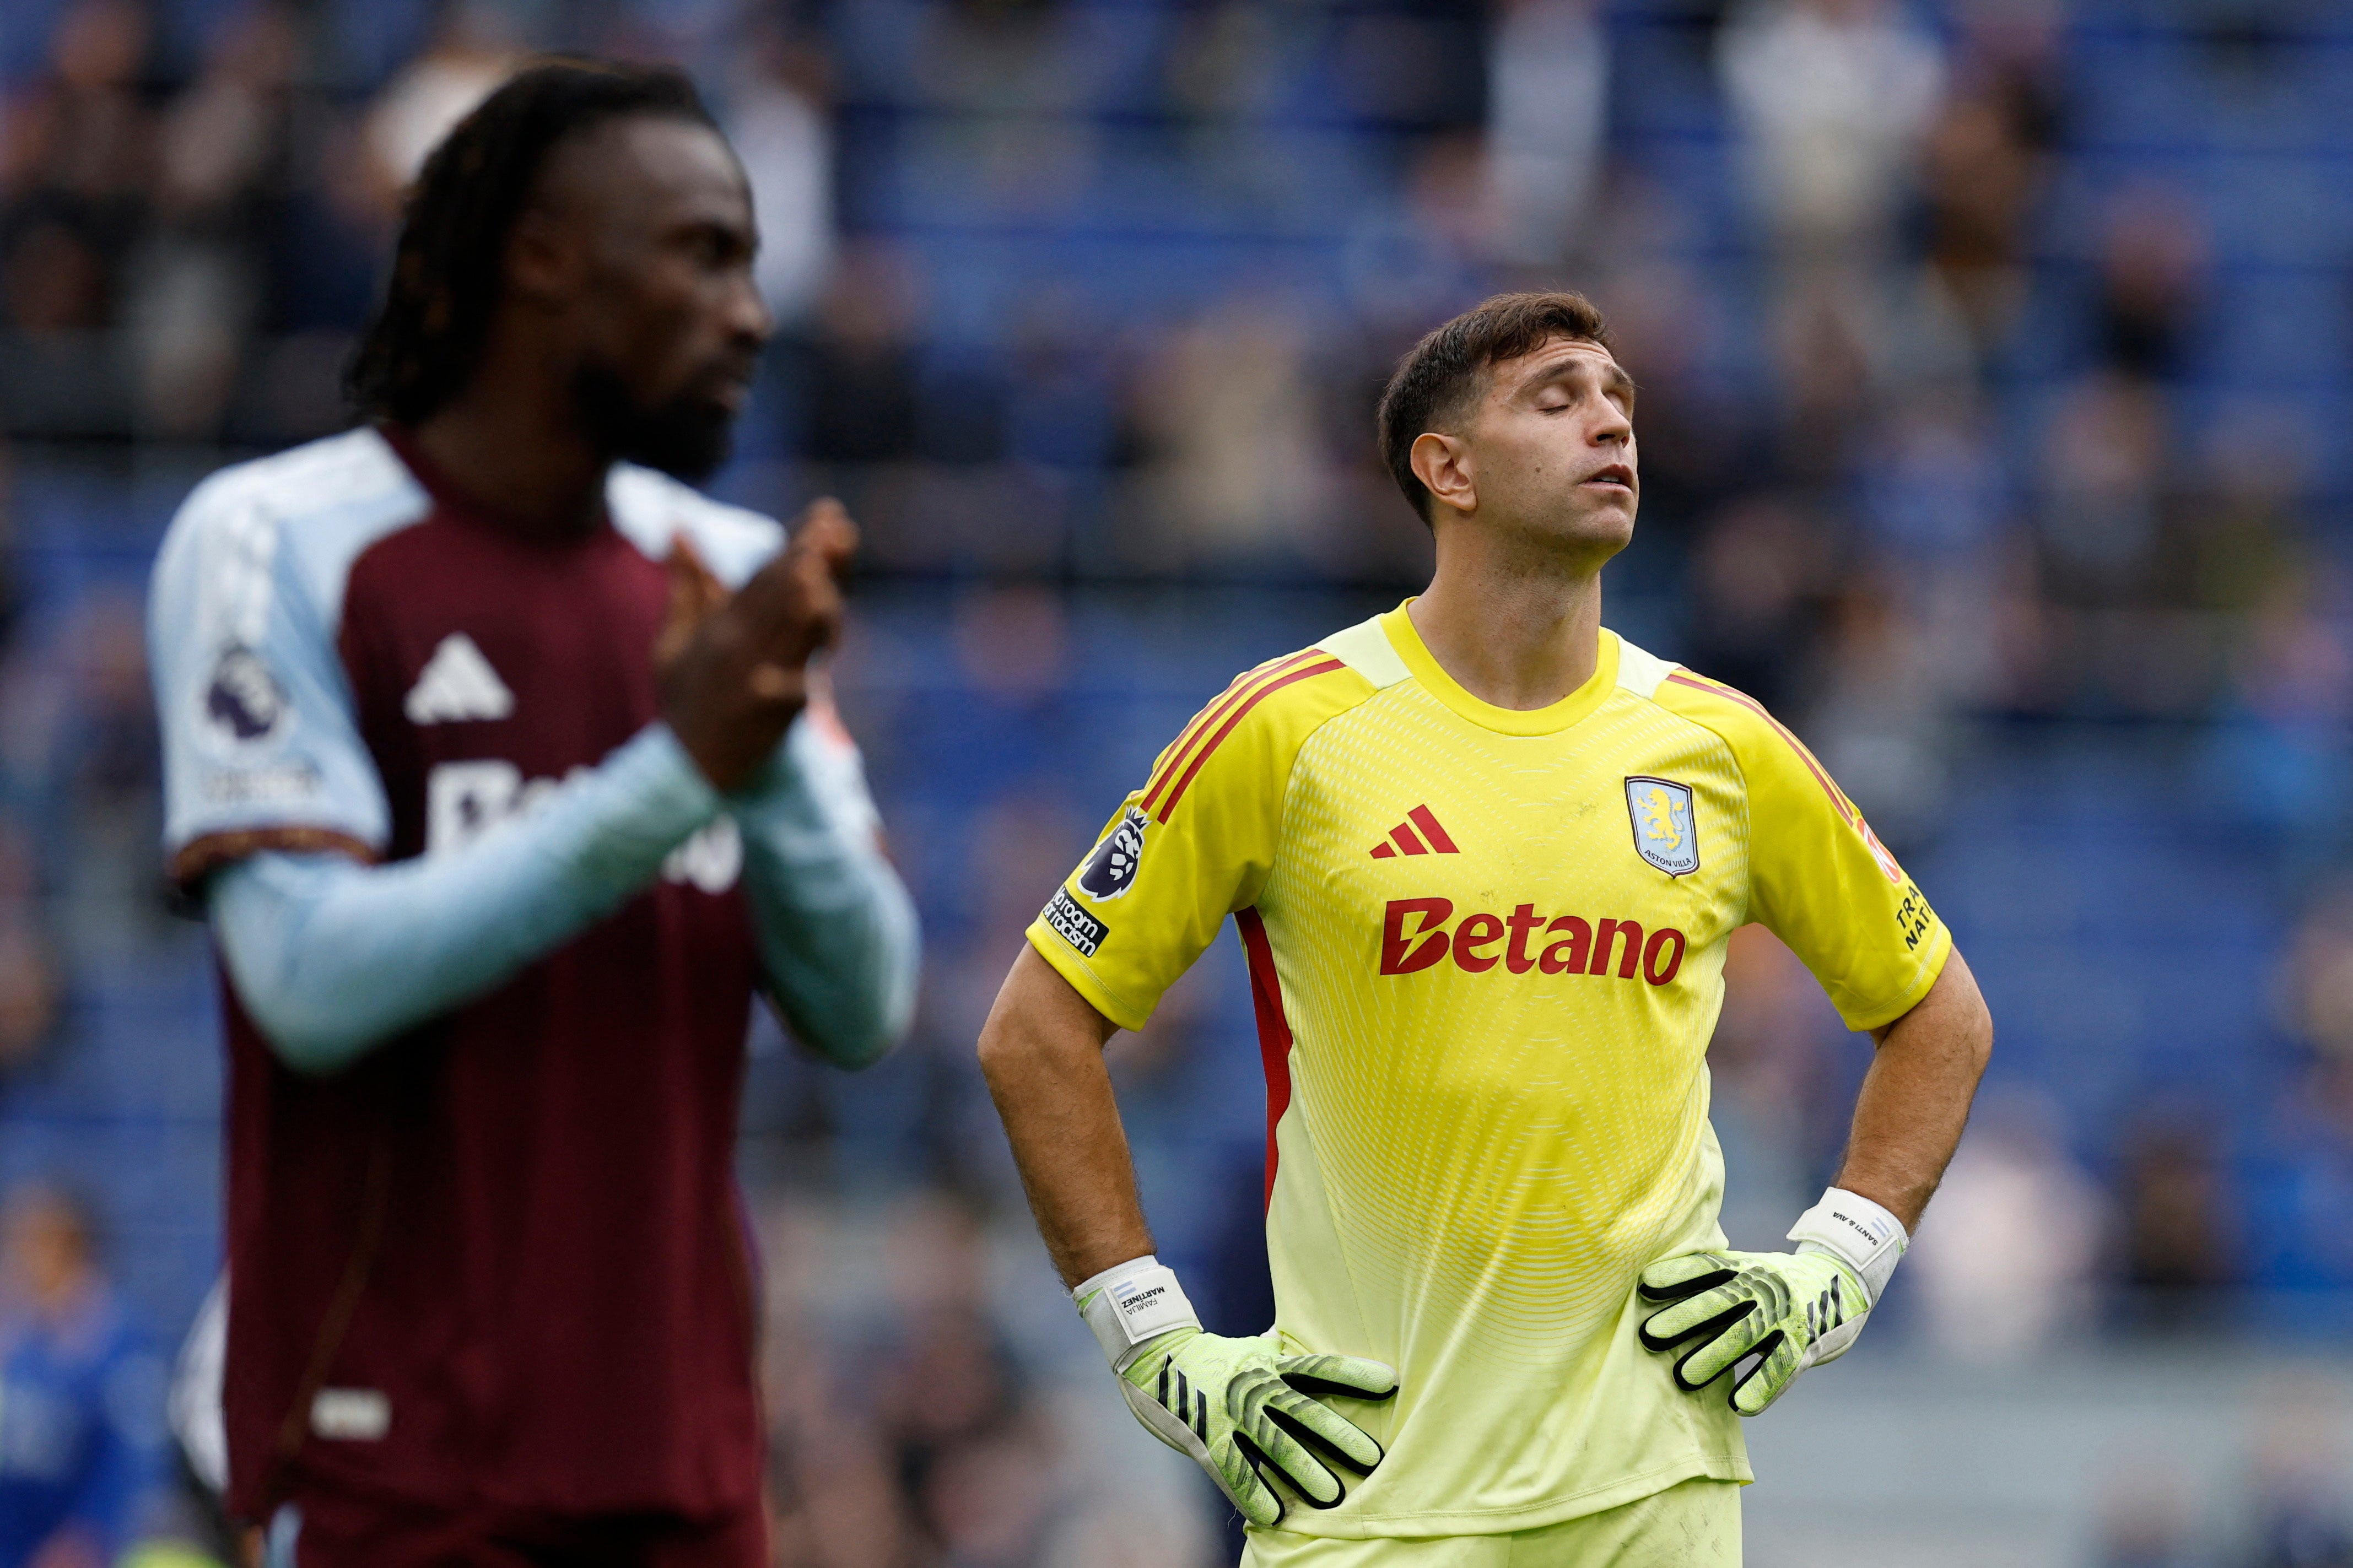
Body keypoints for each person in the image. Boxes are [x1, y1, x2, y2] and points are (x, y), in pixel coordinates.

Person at [977, 291, 1993, 1564]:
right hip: (1364, 1493)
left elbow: (1939, 1012)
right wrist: (1153, 1338)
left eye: (1619, 398)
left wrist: (1835, 1264)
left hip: (1656, 1495)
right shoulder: (1287, 728)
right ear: (1444, 466)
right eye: (1556, 399)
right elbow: (1034, 1029)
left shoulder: (1720, 744)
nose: (1609, 422)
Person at [144, 61, 919, 1565]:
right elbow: (306, 983)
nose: (749, 313)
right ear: (541, 256)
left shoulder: (723, 567)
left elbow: (863, 999)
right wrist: (676, 774)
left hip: (685, 1471)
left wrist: (751, 764)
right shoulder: (278, 540)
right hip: (392, 1468)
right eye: (701, 253)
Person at [0, 1184, 170, 1568]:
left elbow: (136, 1460)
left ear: (71, 1248)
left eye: (35, 1244)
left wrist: (91, 1531)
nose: (21, 1260)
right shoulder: (20, 1337)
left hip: (77, 1545)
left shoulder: (120, 1339)